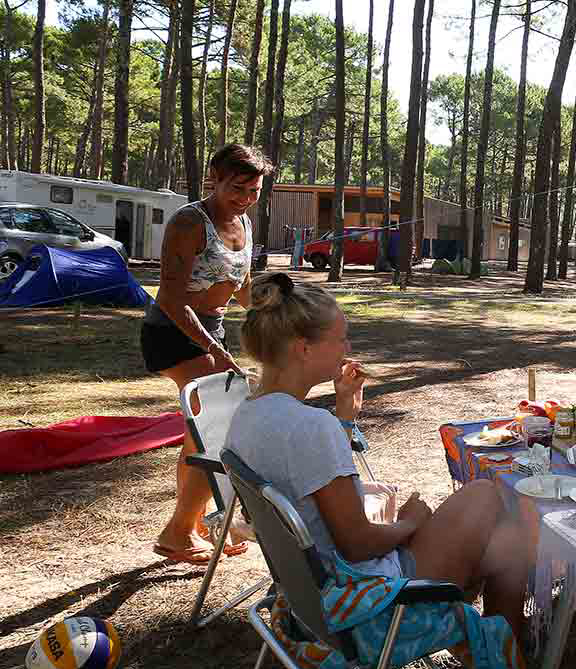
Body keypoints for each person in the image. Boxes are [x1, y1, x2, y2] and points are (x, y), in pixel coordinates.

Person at [224, 272, 532, 643]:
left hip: (309, 594)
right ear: (303, 348)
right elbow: (357, 543)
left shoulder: (247, 414)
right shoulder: (311, 426)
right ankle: (503, 651)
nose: (346, 347)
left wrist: (345, 416)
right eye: (340, 339)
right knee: (485, 493)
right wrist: (410, 523)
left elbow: (301, 467)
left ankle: (507, 643)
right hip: (366, 602)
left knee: (507, 540)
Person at [141, 144, 271, 565]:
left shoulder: (245, 224)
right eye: (238, 188)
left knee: (198, 435)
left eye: (254, 190)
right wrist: (213, 348)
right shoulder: (188, 222)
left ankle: (192, 525)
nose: (246, 198)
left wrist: (281, 313)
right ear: (214, 176)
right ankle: (177, 533)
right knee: (218, 428)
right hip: (173, 331)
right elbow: (172, 299)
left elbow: (244, 290)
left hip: (209, 330)